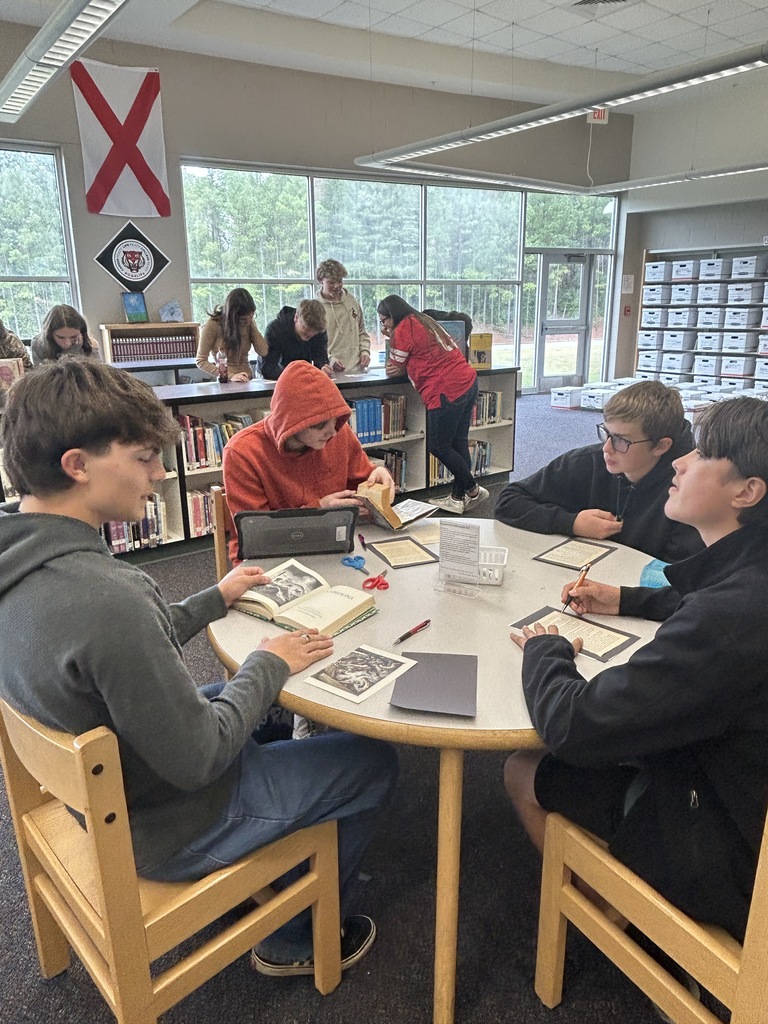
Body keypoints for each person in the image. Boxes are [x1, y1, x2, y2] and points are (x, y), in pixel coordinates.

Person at [0, 359, 398, 977]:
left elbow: (123, 647)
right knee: (370, 760)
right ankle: (294, 937)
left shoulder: (23, 560)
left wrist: (216, 598)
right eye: (142, 458)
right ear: (77, 465)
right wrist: (267, 662)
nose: (161, 475)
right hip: (167, 822)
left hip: (106, 786)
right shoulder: (108, 598)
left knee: (263, 715)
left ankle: (281, 854)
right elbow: (199, 758)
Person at [504, 395, 768, 944]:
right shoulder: (748, 575)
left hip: (722, 843)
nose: (680, 464)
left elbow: (574, 728)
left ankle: (600, 919)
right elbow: (705, 600)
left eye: (702, 456)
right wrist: (625, 598)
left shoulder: (724, 622)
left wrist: (545, 650)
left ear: (746, 492)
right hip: (740, 781)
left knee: (522, 768)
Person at [494, 380, 704, 564]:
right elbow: (508, 501)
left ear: (660, 446)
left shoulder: (690, 490)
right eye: (606, 433)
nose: (606, 448)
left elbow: (680, 577)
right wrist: (571, 522)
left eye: (622, 440)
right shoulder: (589, 462)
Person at [223, 360, 395, 565]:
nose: (332, 431)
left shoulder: (337, 433)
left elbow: (361, 481)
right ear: (293, 425)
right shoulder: (242, 453)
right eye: (320, 425)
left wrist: (377, 476)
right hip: (268, 556)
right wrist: (318, 511)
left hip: (333, 542)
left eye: (336, 420)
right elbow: (258, 536)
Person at [378, 295, 488, 515]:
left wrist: (393, 340)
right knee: (458, 442)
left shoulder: (402, 330)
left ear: (393, 316)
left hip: (445, 390)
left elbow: (392, 367)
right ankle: (457, 498)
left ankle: (473, 490)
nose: (384, 326)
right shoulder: (424, 320)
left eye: (384, 321)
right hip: (467, 381)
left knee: (438, 446)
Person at [196, 287, 267, 382]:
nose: (247, 321)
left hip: (247, 379)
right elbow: (201, 360)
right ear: (232, 315)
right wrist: (230, 376)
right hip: (226, 381)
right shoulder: (214, 324)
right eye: (243, 319)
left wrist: (252, 325)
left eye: (251, 316)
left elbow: (263, 351)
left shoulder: (249, 323)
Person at [315, 259, 370, 373]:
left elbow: (361, 330)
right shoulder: (316, 307)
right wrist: (330, 359)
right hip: (330, 371)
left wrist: (365, 351)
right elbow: (313, 345)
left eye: (339, 281)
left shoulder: (351, 301)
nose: (337, 286)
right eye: (331, 282)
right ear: (321, 280)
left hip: (357, 371)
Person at [260, 299, 332, 380]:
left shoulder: (319, 330)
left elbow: (320, 358)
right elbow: (269, 369)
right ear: (296, 317)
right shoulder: (274, 330)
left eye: (314, 332)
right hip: (277, 377)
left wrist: (323, 368)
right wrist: (298, 376)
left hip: (303, 376)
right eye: (305, 328)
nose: (310, 334)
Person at [30, 304, 100, 364]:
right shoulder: (38, 345)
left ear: (81, 332)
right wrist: (71, 353)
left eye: (73, 337)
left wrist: (76, 352)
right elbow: (44, 377)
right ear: (50, 334)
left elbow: (98, 376)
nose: (67, 343)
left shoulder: (91, 345)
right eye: (61, 337)